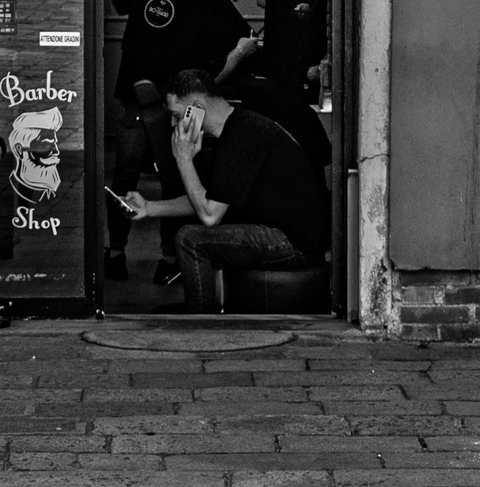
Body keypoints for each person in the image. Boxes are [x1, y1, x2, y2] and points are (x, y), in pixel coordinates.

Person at [106, 0, 254, 278]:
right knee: (174, 178)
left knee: (125, 174)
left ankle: (115, 253)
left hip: (133, 93)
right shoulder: (208, 2)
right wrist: (237, 55)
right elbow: (214, 62)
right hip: (174, 102)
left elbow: (119, 0)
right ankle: (170, 260)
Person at [122, 71, 330, 312]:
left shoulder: (242, 136)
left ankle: (201, 317)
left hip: (293, 242)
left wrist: (183, 159)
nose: (172, 124)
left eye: (177, 115)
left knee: (191, 238)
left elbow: (209, 215)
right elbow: (208, 199)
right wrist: (149, 208)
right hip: (288, 234)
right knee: (195, 233)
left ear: (196, 109)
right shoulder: (236, 128)